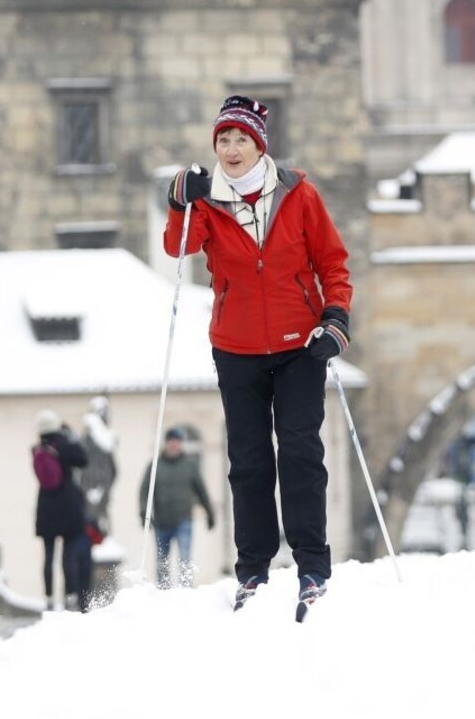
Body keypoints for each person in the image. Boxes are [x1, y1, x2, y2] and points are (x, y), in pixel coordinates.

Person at [164, 95, 353, 611]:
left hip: (300, 348)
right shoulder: (207, 199)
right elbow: (178, 247)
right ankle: (253, 570)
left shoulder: (299, 194)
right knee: (248, 462)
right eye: (223, 139)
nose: (230, 148)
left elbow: (332, 262)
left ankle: (312, 564)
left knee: (300, 453)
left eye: (240, 138)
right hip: (236, 348)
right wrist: (181, 200)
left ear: (259, 145)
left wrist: (335, 317)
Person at [138, 428, 216, 588]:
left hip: (183, 520)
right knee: (162, 561)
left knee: (185, 558)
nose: (173, 445)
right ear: (166, 443)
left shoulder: (190, 465)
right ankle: (163, 590)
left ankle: (186, 588)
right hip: (162, 522)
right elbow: (145, 491)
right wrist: (144, 513)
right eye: (171, 441)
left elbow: (201, 490)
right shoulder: (154, 466)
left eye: (177, 441)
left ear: (180, 444)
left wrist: (210, 513)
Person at [32, 410, 90, 611]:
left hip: (46, 509)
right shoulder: (64, 446)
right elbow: (83, 459)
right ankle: (70, 597)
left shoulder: (37, 449)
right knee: (69, 557)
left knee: (48, 557)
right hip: (69, 508)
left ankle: (48, 598)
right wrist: (69, 439)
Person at [78, 396, 118, 529]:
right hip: (90, 485)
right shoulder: (88, 440)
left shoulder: (105, 438)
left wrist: (108, 481)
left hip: (103, 484)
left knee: (103, 519)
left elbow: (113, 467)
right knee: (92, 521)